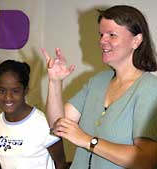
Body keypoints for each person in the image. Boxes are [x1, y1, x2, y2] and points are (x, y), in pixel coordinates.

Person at [41, 5, 157, 169]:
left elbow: (145, 159)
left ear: (136, 40)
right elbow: (57, 124)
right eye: (101, 34)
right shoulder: (97, 82)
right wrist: (55, 82)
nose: (102, 41)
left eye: (112, 35)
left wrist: (87, 140)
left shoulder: (150, 89)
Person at [0, 60, 68, 169]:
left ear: (25, 90)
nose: (8, 97)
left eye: (15, 91)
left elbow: (61, 164)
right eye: (2, 91)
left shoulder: (44, 124)